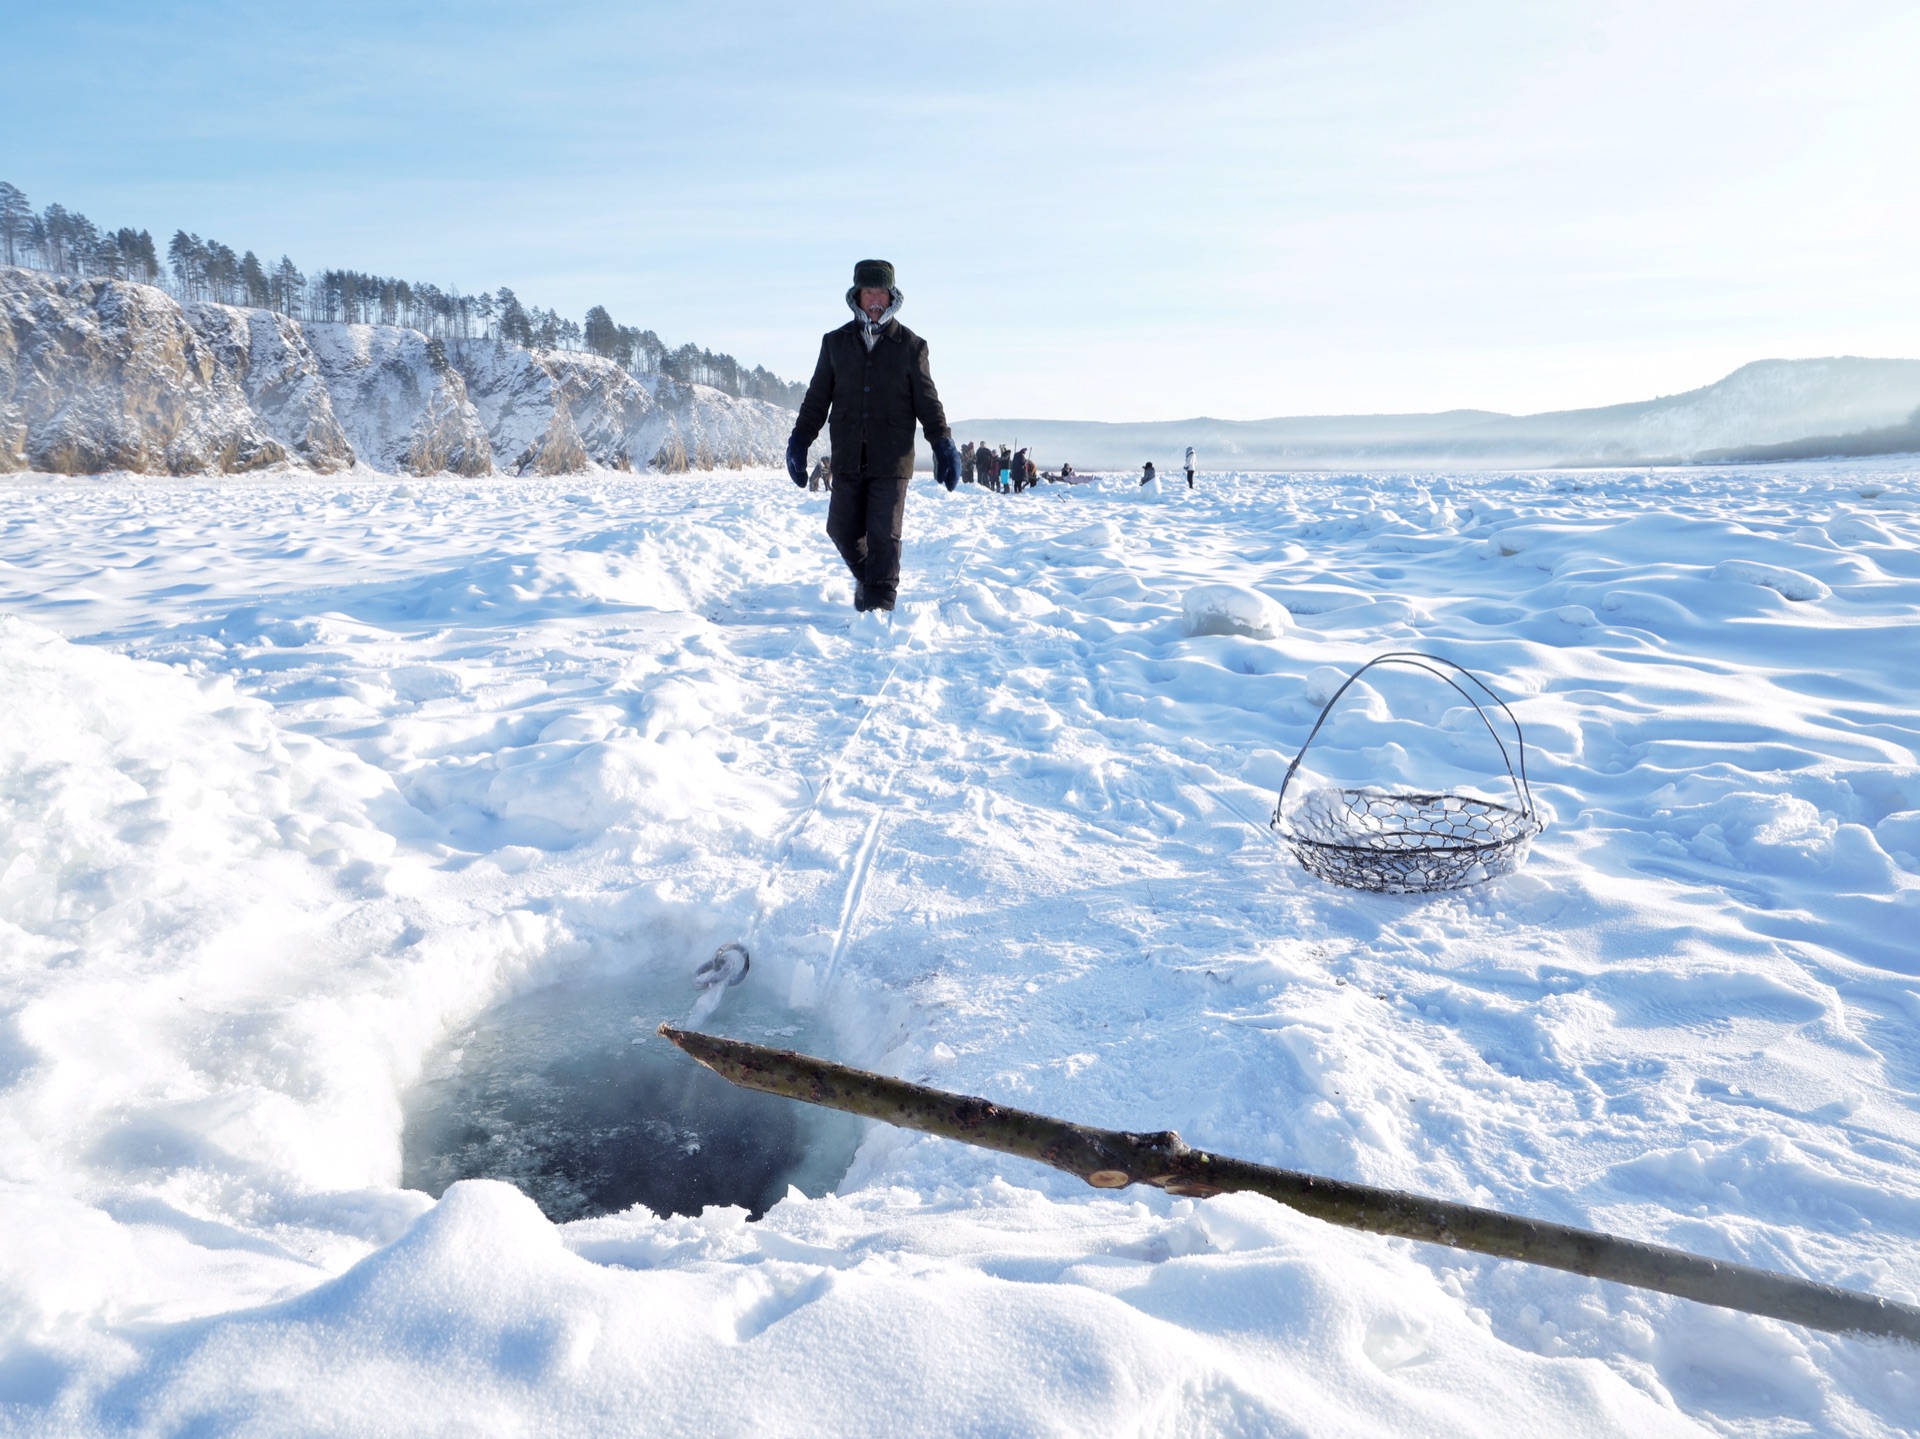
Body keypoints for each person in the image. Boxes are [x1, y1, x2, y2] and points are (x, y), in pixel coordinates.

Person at [787, 260, 961, 612]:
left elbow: (928, 401)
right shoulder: (835, 343)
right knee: (841, 530)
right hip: (848, 454)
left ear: (892, 296)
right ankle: (872, 583)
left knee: (884, 535)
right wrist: (799, 440)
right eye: (869, 292)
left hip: (892, 457)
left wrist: (942, 443)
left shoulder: (911, 346)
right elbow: (817, 398)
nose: (876, 300)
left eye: (882, 292)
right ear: (857, 296)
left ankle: (880, 608)